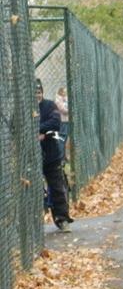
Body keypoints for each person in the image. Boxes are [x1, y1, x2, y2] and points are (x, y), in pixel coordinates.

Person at [36, 78, 74, 231]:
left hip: (51, 155)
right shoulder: (23, 109)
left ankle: (62, 219)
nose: (37, 96)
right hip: (31, 159)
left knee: (57, 188)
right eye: (34, 93)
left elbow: (55, 123)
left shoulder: (50, 105)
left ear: (42, 93)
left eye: (39, 92)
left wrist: (39, 130)